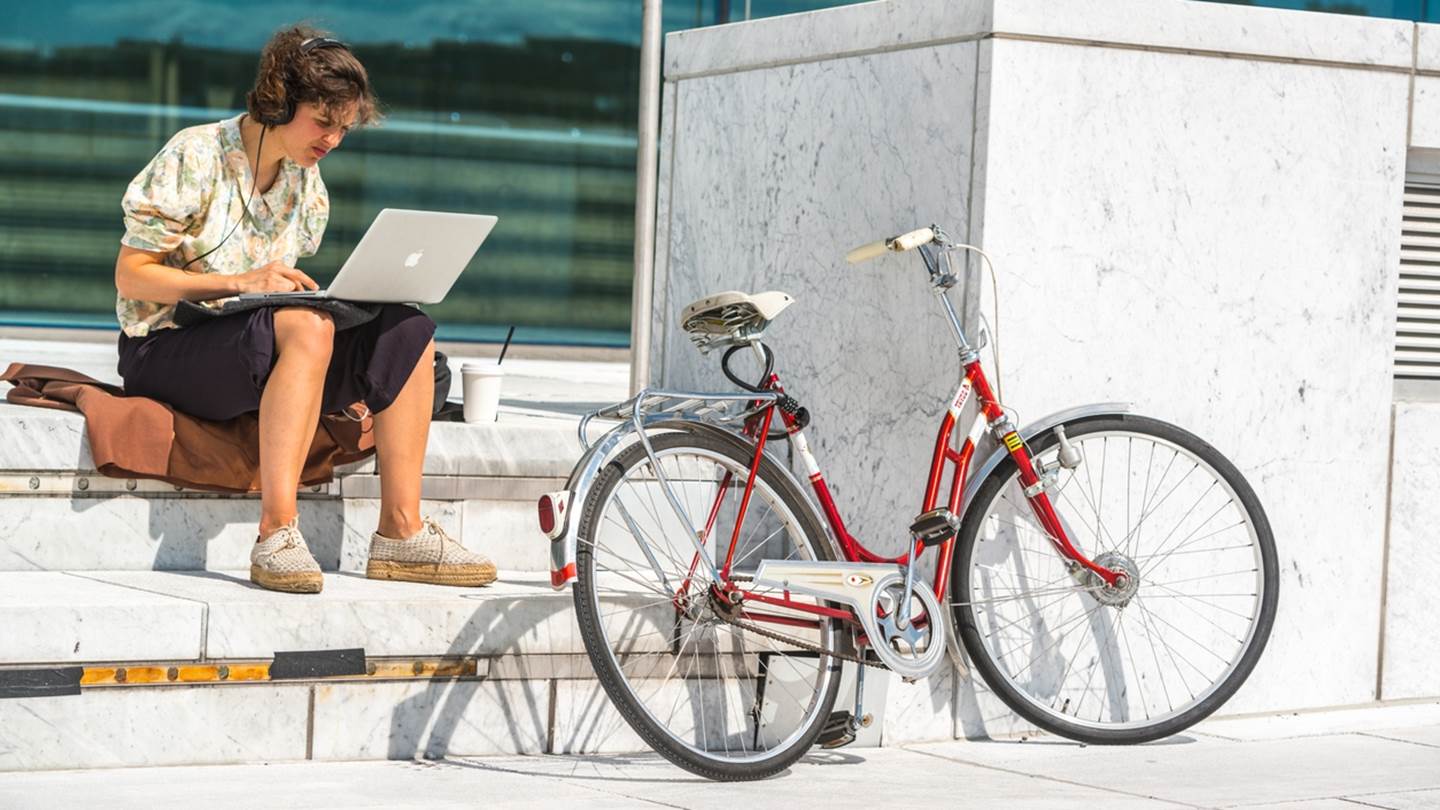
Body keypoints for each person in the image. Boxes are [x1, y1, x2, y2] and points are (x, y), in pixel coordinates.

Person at [112, 24, 496, 594]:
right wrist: (239, 280)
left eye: (343, 129)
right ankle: (276, 532)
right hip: (165, 346)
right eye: (323, 122)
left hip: (252, 345)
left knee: (408, 328)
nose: (332, 141)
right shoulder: (195, 154)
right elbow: (131, 274)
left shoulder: (305, 182)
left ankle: (400, 531)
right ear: (278, 101)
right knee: (310, 326)